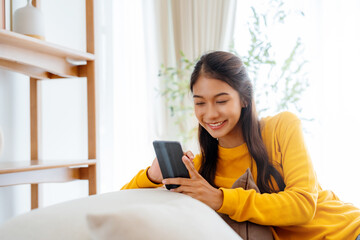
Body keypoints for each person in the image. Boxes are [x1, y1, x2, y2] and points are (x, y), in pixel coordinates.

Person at [121, 51, 360, 239]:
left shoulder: (282, 127)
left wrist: (221, 199)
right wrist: (152, 175)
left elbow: (303, 205)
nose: (210, 114)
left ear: (244, 98)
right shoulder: (201, 170)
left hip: (347, 232)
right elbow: (122, 203)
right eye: (200, 103)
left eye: (221, 100)